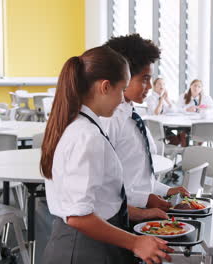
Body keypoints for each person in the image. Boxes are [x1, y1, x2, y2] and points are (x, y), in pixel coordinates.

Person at [40, 46, 173, 264]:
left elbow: (101, 199)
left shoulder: (79, 125)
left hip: (91, 240)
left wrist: (140, 214)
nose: (122, 99)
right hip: (83, 247)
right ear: (104, 87)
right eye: (121, 90)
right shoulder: (86, 135)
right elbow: (78, 216)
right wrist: (135, 242)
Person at [102, 34, 189, 212]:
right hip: (122, 218)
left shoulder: (133, 115)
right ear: (123, 76)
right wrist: (145, 201)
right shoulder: (109, 121)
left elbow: (138, 179)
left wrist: (166, 190)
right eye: (144, 79)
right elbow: (103, 188)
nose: (149, 86)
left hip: (140, 213)